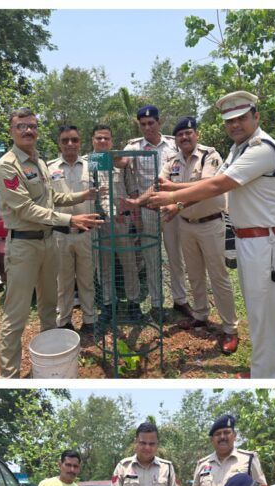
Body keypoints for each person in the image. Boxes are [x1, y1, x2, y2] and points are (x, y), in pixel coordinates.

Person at [145, 90, 275, 378]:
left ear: (256, 117)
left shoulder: (262, 149)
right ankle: (262, 370)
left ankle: (265, 375)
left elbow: (218, 186)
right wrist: (175, 192)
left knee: (263, 314)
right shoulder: (239, 149)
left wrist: (171, 197)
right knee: (257, 311)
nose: (235, 125)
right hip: (251, 239)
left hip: (267, 240)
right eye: (230, 121)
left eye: (241, 118)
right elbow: (212, 182)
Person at [0, 107, 102, 378]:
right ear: (11, 131)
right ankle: (9, 377)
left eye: (32, 126)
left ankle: (50, 364)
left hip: (48, 242)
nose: (28, 130)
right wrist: (70, 220)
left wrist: (82, 195)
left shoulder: (39, 162)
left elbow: (53, 198)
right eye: (21, 126)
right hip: (24, 246)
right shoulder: (7, 166)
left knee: (49, 307)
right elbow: (26, 209)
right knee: (16, 316)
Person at [159, 116, 239, 353]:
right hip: (186, 225)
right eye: (180, 135)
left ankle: (230, 328)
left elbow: (207, 188)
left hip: (210, 223)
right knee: (194, 274)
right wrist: (169, 200)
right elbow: (162, 183)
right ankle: (201, 314)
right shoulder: (172, 161)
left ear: (197, 134)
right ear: (175, 139)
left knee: (218, 277)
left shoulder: (209, 155)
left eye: (188, 133)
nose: (184, 137)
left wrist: (175, 197)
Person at [119, 105, 179, 320]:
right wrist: (109, 155)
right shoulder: (133, 146)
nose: (147, 128)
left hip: (172, 209)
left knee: (175, 258)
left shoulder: (173, 144)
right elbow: (123, 162)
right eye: (143, 124)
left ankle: (180, 301)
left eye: (151, 123)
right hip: (147, 209)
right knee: (152, 260)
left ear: (159, 122)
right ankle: (156, 304)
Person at [88, 123, 144, 323]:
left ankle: (133, 303)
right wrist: (109, 213)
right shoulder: (91, 162)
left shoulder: (121, 161)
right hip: (100, 223)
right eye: (99, 138)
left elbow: (133, 191)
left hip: (123, 222)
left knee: (129, 264)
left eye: (106, 138)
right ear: (92, 141)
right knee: (104, 266)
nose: (103, 141)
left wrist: (135, 218)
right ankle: (108, 304)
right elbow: (98, 194)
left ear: (112, 141)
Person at [47, 124, 96, 334]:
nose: (70, 144)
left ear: (80, 142)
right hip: (61, 235)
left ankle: (90, 319)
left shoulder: (91, 166)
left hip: (86, 233)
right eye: (65, 140)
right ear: (59, 143)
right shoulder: (49, 168)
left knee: (87, 279)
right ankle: (64, 321)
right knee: (63, 282)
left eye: (74, 140)